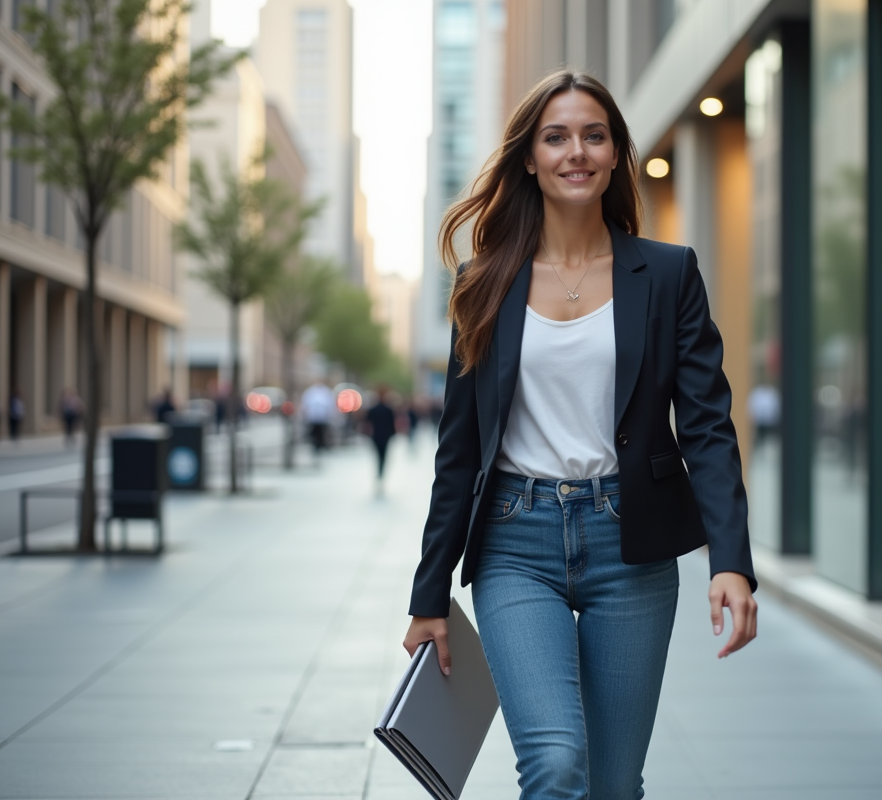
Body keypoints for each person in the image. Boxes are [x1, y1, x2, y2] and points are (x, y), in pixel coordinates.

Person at [402, 69, 758, 799]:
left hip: (630, 543)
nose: (576, 151)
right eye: (556, 136)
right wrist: (427, 595)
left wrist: (732, 560)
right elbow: (458, 449)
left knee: (614, 783)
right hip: (513, 540)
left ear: (615, 153)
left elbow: (708, 428)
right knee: (557, 760)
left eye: (594, 136)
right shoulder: (485, 282)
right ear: (529, 157)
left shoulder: (666, 274)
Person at [365, 387, 397, 494]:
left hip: (376, 436)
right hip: (385, 436)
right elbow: (392, 424)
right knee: (383, 457)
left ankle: (379, 475)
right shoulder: (388, 410)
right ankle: (381, 474)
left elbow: (367, 422)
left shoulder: (373, 409)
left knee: (379, 456)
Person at [300, 380, 336, 455]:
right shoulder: (311, 392)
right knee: (315, 432)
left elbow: (330, 405)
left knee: (322, 432)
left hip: (322, 417)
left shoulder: (325, 392)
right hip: (314, 417)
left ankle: (321, 445)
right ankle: (317, 445)